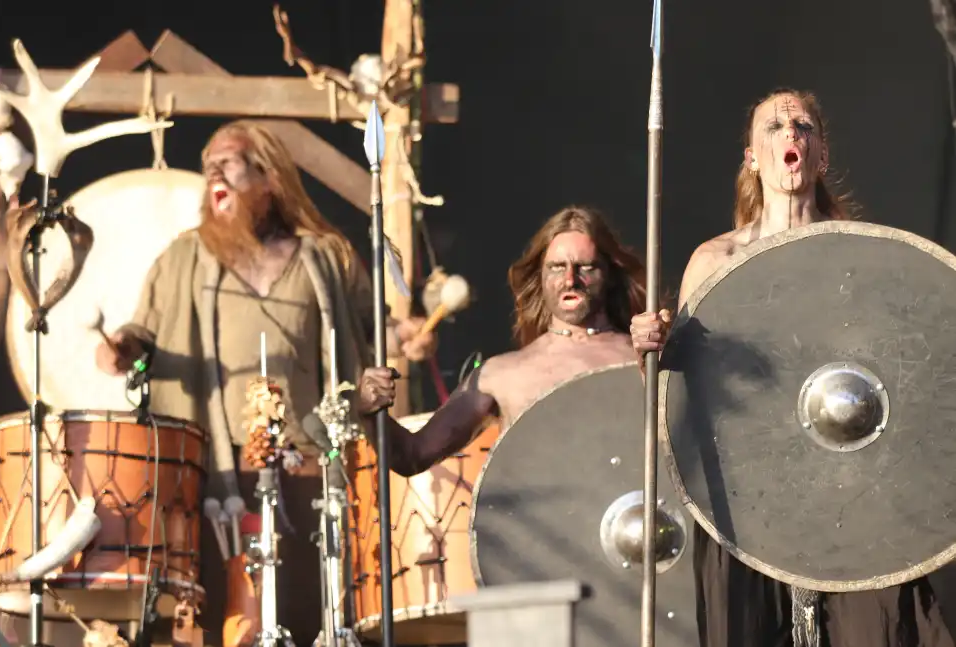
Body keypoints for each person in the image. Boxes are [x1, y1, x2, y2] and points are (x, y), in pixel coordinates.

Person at [630, 89, 955, 647]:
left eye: (803, 125)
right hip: (746, 485)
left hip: (858, 478)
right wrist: (651, 349)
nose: (790, 135)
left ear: (821, 153)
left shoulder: (858, 256)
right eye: (774, 127)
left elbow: (911, 367)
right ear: (752, 156)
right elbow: (679, 393)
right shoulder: (717, 261)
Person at [93, 120, 436, 646]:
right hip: (215, 480)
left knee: (311, 616)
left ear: (269, 177)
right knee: (223, 623)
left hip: (310, 471)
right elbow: (144, 332)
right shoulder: (183, 257)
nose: (212, 168)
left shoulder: (324, 257)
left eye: (227, 160)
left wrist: (406, 333)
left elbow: (371, 327)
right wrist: (123, 349)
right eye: (208, 162)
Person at [354, 205, 646, 475]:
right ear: (540, 276)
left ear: (609, 274)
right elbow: (412, 455)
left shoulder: (642, 358)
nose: (570, 279)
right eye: (557, 267)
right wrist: (370, 413)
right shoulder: (501, 375)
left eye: (585, 267)